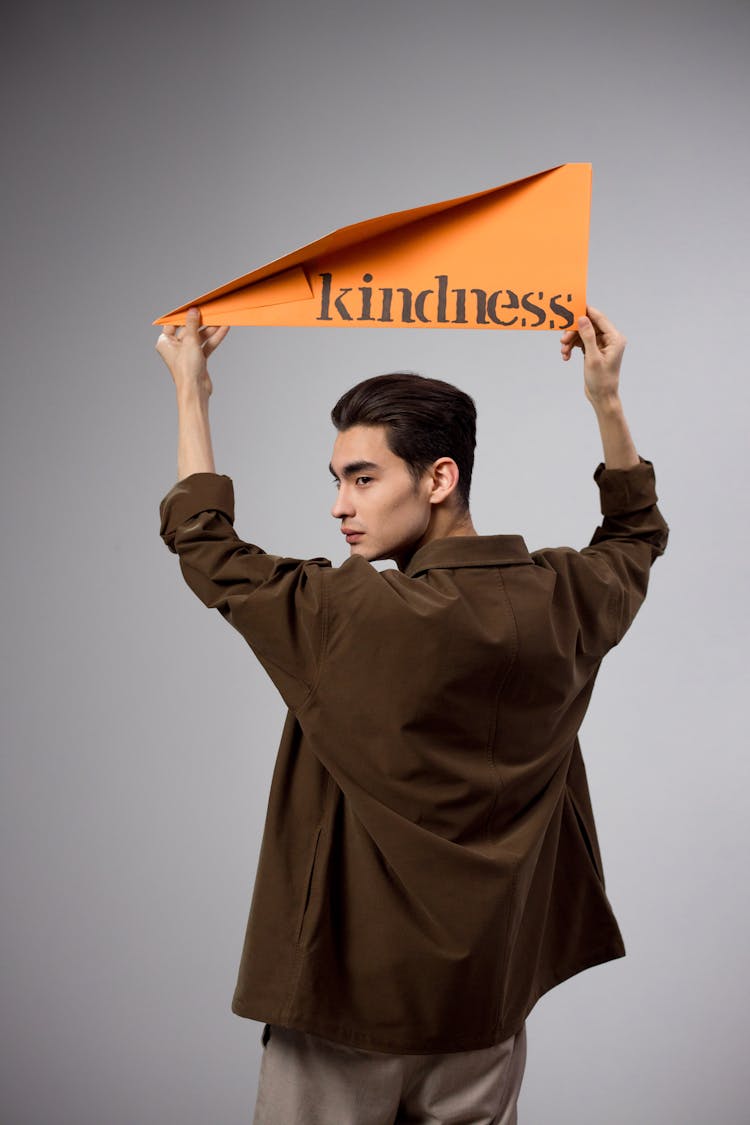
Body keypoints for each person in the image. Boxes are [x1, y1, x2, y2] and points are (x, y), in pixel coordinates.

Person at [156, 306, 669, 1125]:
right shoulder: (564, 599)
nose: (340, 507)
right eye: (337, 480)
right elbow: (635, 534)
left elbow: (203, 540)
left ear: (438, 478)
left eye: (363, 478)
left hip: (345, 1010)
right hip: (484, 1016)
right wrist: (606, 398)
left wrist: (192, 390)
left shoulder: (348, 616)